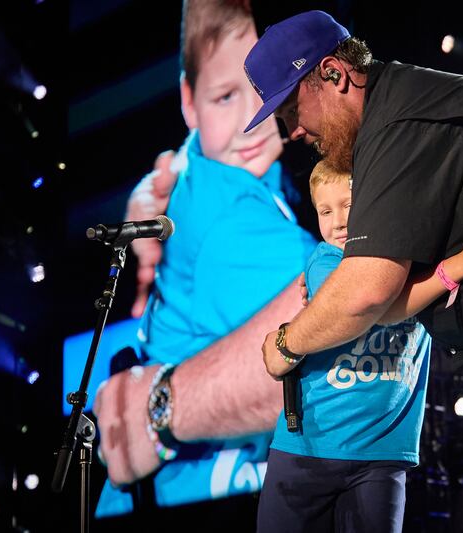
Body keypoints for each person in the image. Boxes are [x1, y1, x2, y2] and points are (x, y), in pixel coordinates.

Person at [93, 9, 463, 533]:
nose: (293, 131)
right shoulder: (386, 127)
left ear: (334, 74)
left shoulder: (400, 115)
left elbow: (367, 290)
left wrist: (286, 343)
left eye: (292, 108)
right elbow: (383, 294)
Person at [94, 0, 316, 517]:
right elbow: (346, 319)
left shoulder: (209, 169)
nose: (250, 120)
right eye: (225, 97)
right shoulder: (232, 218)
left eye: (264, 85)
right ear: (188, 101)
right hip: (199, 501)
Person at [257, 161, 463, 532]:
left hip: (384, 454)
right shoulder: (326, 261)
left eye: (349, 205)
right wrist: (459, 266)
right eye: (325, 211)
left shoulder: (413, 265)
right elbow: (378, 306)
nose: (338, 222)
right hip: (310, 448)